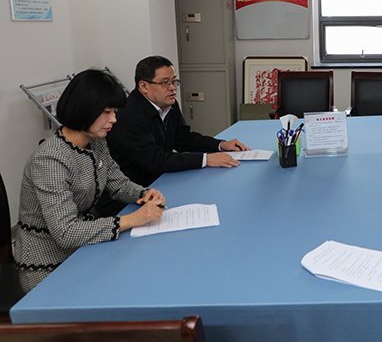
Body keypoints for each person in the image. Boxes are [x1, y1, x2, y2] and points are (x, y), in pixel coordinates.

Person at [14, 69, 165, 292]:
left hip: (83, 250)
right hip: (49, 266)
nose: (114, 119)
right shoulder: (50, 160)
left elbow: (118, 183)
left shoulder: (96, 141)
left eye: (114, 112)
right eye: (107, 112)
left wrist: (143, 194)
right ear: (84, 109)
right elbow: (66, 232)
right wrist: (132, 219)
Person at [102, 56, 249, 215]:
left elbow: (184, 139)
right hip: (128, 198)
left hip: (160, 184)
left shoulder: (168, 104)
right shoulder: (127, 116)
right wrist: (206, 159)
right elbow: (156, 160)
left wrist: (220, 145)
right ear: (144, 86)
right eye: (165, 83)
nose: (173, 88)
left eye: (174, 82)